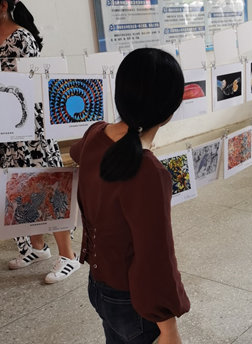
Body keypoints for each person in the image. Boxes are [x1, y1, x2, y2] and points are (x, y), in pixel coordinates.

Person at [70, 48, 190, 344]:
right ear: (169, 111)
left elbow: (77, 152)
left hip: (98, 286)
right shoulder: (149, 173)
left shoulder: (95, 134)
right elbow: (155, 258)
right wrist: (169, 328)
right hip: (132, 302)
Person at [0, 0, 79, 284]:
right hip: (6, 133)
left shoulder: (21, 37)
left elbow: (18, 85)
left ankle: (69, 256)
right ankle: (37, 248)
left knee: (45, 188)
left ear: (3, 5)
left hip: (29, 135)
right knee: (19, 191)